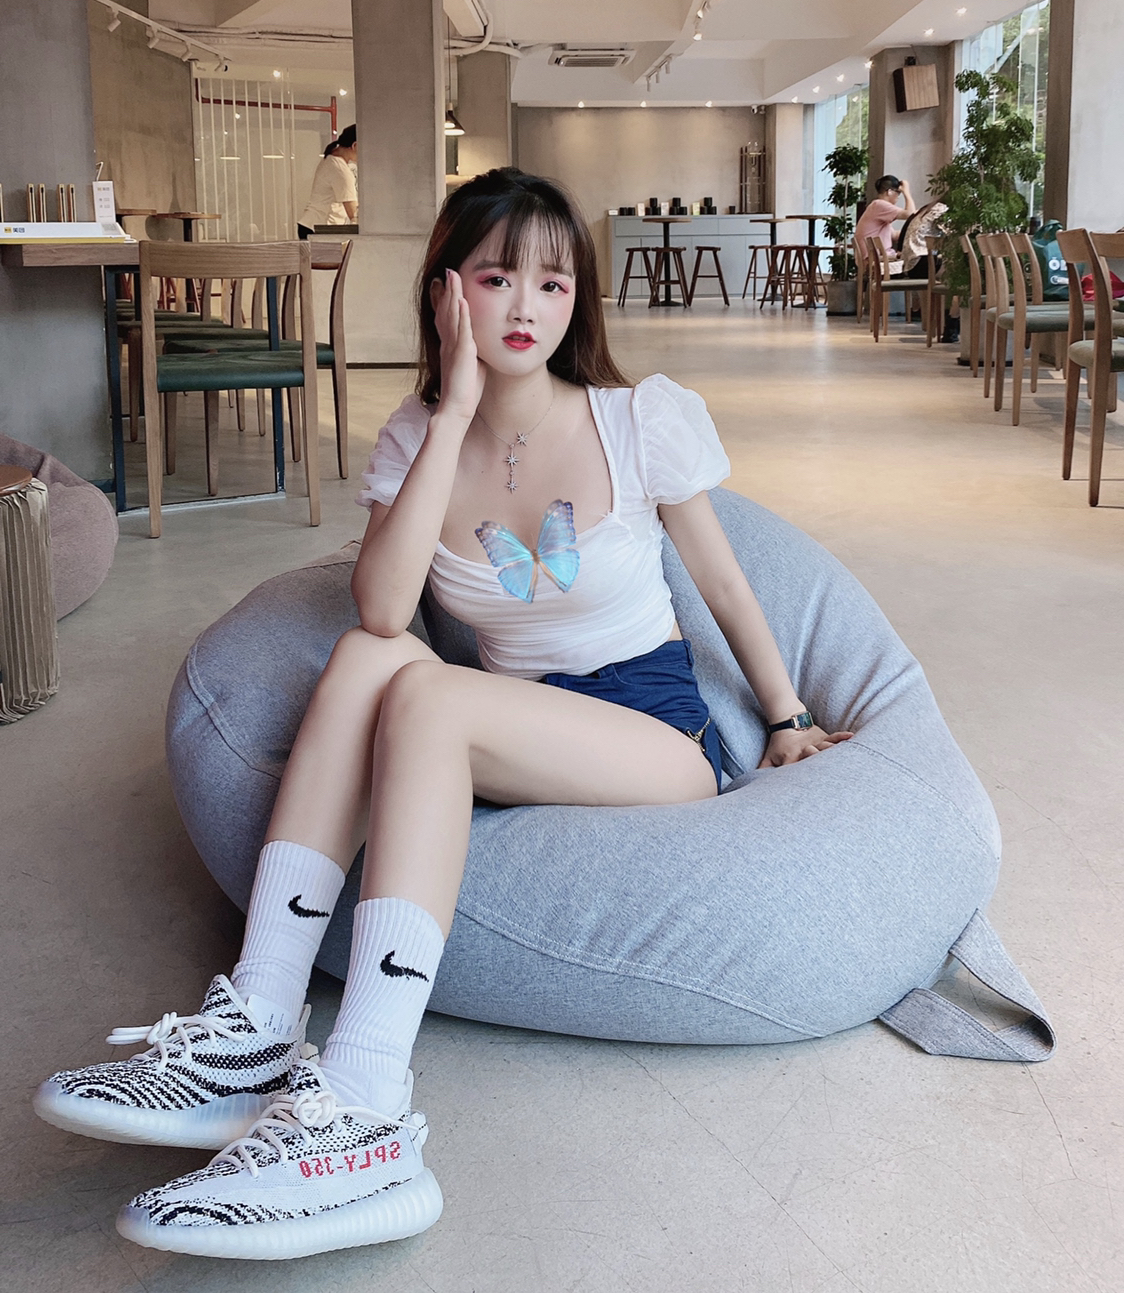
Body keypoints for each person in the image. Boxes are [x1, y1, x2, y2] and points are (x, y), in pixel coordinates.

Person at [35, 168, 852, 1262]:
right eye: (496, 276)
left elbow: (727, 587)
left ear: (578, 299)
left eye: (553, 283)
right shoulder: (415, 434)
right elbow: (382, 607)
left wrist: (786, 716)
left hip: (652, 735)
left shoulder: (635, 419)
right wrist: (453, 413)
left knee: (422, 689)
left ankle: (367, 1104)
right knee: (370, 652)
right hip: (508, 716)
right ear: (444, 292)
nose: (526, 307)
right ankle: (256, 1025)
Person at [297, 124, 357, 239]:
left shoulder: (331, 160)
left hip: (312, 225)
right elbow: (353, 213)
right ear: (355, 145)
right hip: (319, 227)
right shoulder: (340, 169)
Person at [854, 174, 916, 260]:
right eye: (898, 193)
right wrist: (906, 192)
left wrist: (914, 231)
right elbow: (910, 214)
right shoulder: (880, 205)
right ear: (890, 192)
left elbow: (894, 235)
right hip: (875, 258)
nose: (898, 197)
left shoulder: (876, 206)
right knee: (914, 259)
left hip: (872, 257)